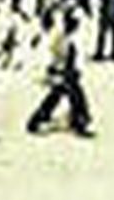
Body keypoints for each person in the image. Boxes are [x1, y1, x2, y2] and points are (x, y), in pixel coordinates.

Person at [27, 7, 94, 138]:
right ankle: (80, 122)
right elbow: (56, 57)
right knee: (74, 97)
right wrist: (57, 71)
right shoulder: (61, 37)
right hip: (64, 72)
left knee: (57, 97)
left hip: (67, 72)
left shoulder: (67, 37)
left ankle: (37, 120)